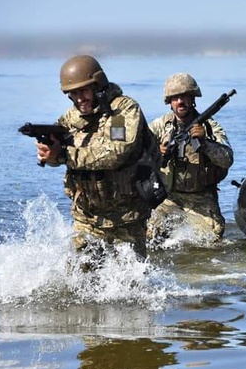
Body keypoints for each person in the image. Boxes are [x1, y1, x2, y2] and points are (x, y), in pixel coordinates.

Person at [36, 54, 160, 261]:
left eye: (83, 91)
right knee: (78, 279)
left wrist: (64, 155)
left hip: (127, 216)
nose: (79, 98)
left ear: (98, 85)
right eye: (73, 93)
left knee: (132, 284)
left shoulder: (123, 111)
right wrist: (50, 154)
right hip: (87, 216)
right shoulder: (70, 118)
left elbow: (117, 152)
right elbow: (58, 155)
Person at [148, 73, 233, 244]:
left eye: (184, 96)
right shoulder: (158, 126)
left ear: (192, 98)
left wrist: (205, 143)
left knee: (212, 239)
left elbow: (227, 159)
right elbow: (135, 156)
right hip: (168, 198)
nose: (180, 101)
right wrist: (156, 153)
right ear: (169, 102)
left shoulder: (209, 127)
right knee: (149, 236)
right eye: (175, 97)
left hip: (201, 197)